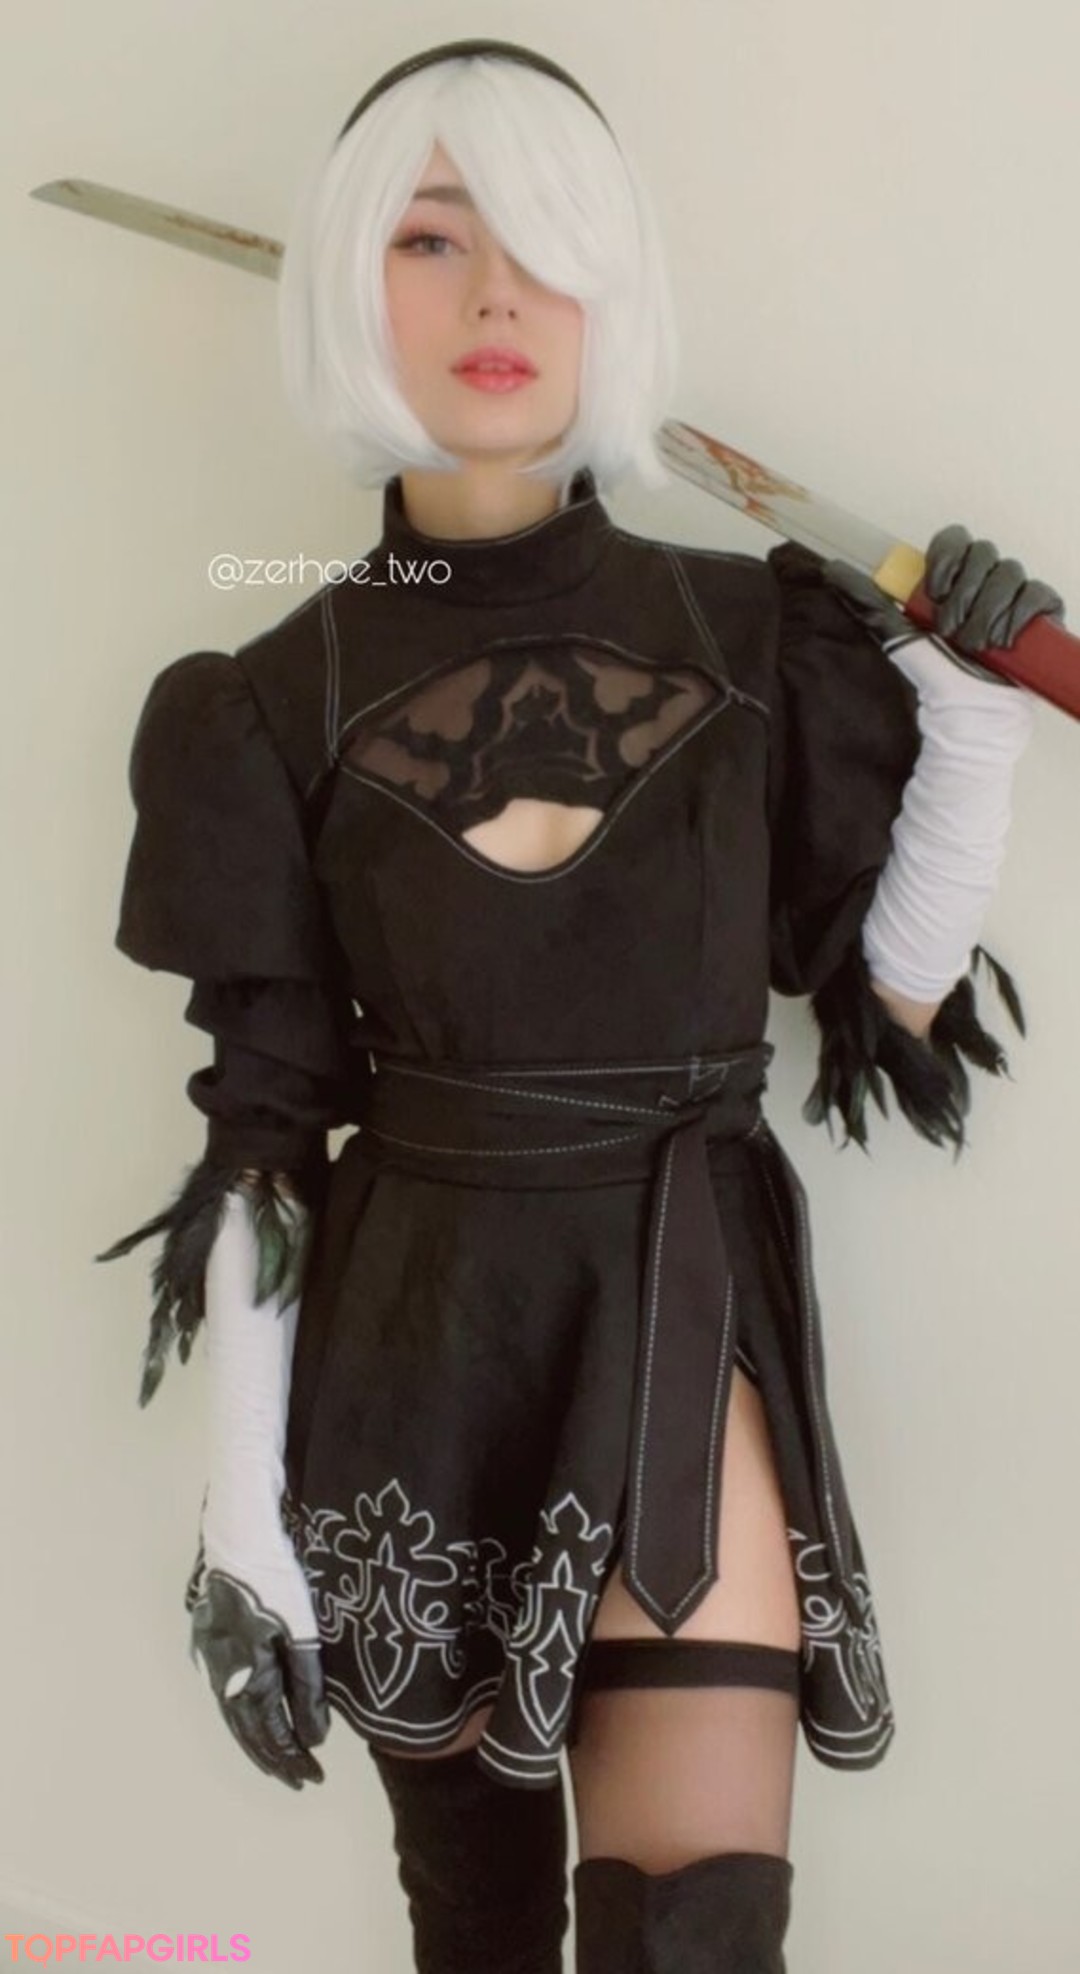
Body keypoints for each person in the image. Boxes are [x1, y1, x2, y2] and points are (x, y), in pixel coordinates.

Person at [94, 37, 1065, 1974]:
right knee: (475, 1934)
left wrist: (971, 720)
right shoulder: (263, 703)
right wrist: (239, 1526)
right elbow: (263, 1151)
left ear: (619, 288)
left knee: (691, 1935)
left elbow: (889, 991)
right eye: (432, 239)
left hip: (685, 1309)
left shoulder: (754, 633)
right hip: (418, 1347)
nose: (497, 297)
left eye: (547, 244)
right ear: (353, 280)